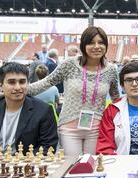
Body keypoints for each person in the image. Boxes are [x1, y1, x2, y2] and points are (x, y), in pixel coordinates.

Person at [25, 26, 119, 156]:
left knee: (92, 166)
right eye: (91, 42)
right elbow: (46, 82)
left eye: (101, 42)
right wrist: (18, 91)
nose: (97, 46)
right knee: (72, 166)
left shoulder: (111, 70)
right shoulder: (69, 64)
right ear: (83, 45)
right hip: (69, 129)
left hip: (96, 129)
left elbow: (116, 98)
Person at [0, 62, 58, 155]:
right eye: (11, 82)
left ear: (28, 84)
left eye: (22, 82)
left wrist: (21, 163)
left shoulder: (43, 110)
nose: (17, 87)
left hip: (25, 165)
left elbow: (48, 146)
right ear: (1, 85)